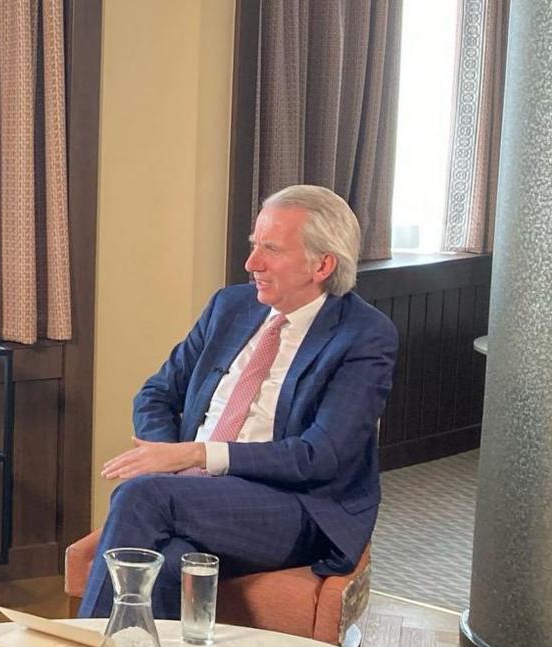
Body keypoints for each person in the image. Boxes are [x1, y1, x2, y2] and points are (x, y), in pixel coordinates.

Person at [79, 185, 398, 619]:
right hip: (197, 497)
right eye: (254, 246)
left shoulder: (363, 335)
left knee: (142, 496)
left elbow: (318, 457)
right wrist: (172, 459)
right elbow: (157, 393)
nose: (252, 264)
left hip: (294, 506)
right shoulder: (230, 307)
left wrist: (197, 455)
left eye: (271, 250)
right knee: (168, 562)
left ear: (322, 264)